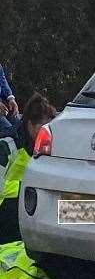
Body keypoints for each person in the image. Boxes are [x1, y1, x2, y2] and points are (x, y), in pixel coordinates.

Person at [0, 93, 57, 243]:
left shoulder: (41, 147)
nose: (44, 133)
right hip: (8, 215)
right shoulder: (7, 146)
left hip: (26, 211)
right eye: (41, 128)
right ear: (30, 124)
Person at [0, 62, 18, 129]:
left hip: (3, 106)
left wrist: (11, 98)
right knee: (10, 131)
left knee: (20, 126)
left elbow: (3, 82)